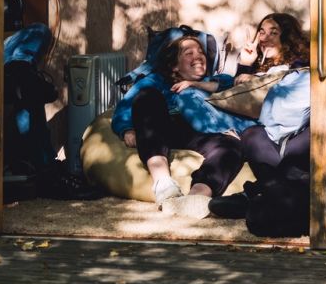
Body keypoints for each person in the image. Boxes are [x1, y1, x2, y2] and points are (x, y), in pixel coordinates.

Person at [112, 35, 256, 218]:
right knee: (148, 97)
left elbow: (236, 86)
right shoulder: (156, 80)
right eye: (189, 53)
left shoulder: (216, 80)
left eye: (201, 52)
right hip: (168, 127)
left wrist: (197, 84)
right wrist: (126, 128)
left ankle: (197, 197)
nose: (198, 56)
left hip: (203, 131)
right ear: (175, 66)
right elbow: (126, 106)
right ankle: (163, 184)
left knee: (232, 145)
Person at [212, 14, 312, 220]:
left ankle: (255, 194)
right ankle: (276, 195)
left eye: (274, 32)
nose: (265, 37)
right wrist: (246, 65)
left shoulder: (301, 64)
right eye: (262, 32)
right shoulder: (258, 66)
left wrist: (260, 78)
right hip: (267, 136)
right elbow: (237, 98)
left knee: (302, 145)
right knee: (251, 135)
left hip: (298, 133)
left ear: (288, 37)